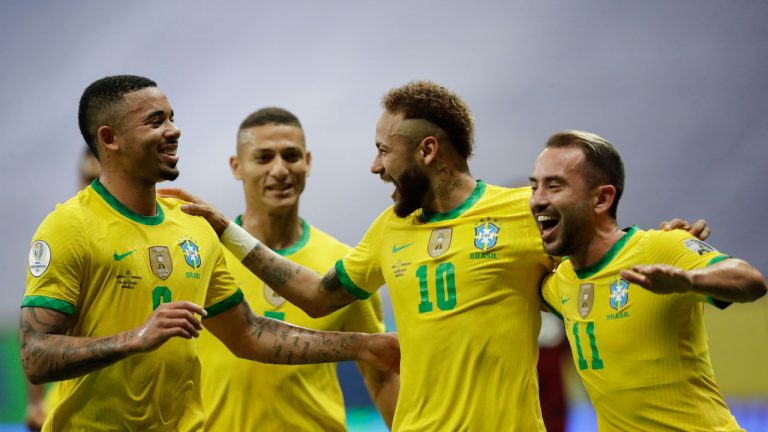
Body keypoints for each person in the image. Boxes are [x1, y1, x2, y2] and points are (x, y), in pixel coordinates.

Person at [19, 75, 399, 432]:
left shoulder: (194, 227)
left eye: (172, 118)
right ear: (110, 138)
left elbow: (248, 333)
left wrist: (361, 345)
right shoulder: (69, 226)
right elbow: (35, 355)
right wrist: (137, 337)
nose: (174, 131)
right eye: (156, 122)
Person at [170, 80, 555, 431]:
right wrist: (225, 230)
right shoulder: (388, 230)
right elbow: (318, 296)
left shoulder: (526, 212)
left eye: (383, 151)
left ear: (427, 150)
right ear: (237, 167)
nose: (375, 166)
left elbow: (586, 289)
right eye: (263, 157)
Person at [530, 130, 767, 431]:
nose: (537, 200)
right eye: (535, 186)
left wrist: (688, 280)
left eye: (554, 186)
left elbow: (751, 280)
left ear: (601, 199)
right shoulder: (559, 283)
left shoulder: (660, 248)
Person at [197, 107, 398, 431]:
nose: (279, 170)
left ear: (308, 161)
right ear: (237, 167)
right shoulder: (201, 257)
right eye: (263, 158)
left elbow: (382, 375)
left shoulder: (344, 266)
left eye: (290, 156)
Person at [25, 147, 101, 431]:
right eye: (87, 178)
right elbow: (34, 324)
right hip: (69, 397)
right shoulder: (63, 232)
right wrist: (35, 403)